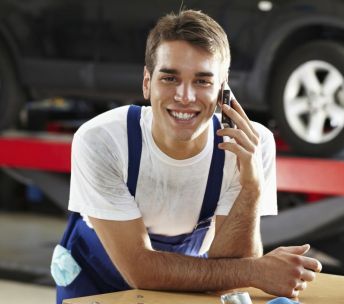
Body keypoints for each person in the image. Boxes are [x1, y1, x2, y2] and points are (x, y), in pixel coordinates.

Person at [51, 9, 322, 304]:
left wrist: (251, 188)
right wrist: (256, 271)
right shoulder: (102, 140)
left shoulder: (251, 146)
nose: (185, 96)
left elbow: (232, 273)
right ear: (147, 82)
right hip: (95, 282)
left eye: (203, 81)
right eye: (169, 78)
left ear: (223, 89)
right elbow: (141, 272)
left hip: (187, 285)